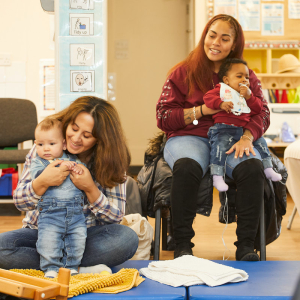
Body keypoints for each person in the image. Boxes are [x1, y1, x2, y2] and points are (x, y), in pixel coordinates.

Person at [156, 14, 270, 261]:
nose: (215, 42)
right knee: (186, 166)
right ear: (204, 36)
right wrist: (203, 111)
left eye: (224, 38)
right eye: (212, 35)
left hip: (232, 137)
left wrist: (248, 137)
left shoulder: (245, 75)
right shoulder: (182, 72)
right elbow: (163, 117)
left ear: (234, 45)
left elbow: (263, 113)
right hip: (190, 136)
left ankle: (246, 247)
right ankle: (183, 245)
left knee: (252, 167)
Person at [0, 96, 139, 272]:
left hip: (84, 235)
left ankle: (54, 265)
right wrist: (42, 182)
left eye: (86, 135)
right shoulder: (46, 146)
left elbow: (116, 217)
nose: (76, 138)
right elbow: (20, 202)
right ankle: (77, 268)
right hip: (41, 232)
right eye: (73, 128)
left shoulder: (112, 161)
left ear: (101, 139)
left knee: (126, 239)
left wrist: (90, 188)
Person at [204, 58, 282, 192]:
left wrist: (249, 97)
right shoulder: (222, 89)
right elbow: (208, 98)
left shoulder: (247, 93)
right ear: (226, 80)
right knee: (219, 148)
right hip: (223, 128)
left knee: (262, 143)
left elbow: (258, 109)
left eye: (247, 77)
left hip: (242, 130)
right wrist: (221, 104)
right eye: (239, 76)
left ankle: (268, 168)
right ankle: (217, 176)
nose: (245, 80)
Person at [31, 118, 88, 278]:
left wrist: (78, 170)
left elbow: (84, 177)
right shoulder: (38, 162)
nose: (46, 149)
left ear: (63, 144)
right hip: (51, 214)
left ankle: (72, 267)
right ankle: (51, 268)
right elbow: (38, 176)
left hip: (76, 215)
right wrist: (59, 168)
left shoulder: (74, 160)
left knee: (78, 240)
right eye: (40, 145)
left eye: (51, 144)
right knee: (48, 242)